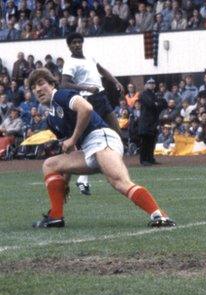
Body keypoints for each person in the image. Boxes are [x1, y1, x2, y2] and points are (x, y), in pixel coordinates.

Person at [28, 68, 175, 228]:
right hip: (88, 149)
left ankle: (159, 216)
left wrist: (74, 139)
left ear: (52, 84)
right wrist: (64, 182)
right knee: (50, 165)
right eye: (33, 87)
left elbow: (86, 108)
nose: (37, 89)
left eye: (41, 83)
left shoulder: (62, 95)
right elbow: (69, 149)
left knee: (119, 182)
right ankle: (56, 216)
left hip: (102, 139)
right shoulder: (51, 119)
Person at [61, 32, 125, 196]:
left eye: (78, 42)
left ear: (82, 43)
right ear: (69, 46)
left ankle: (109, 165)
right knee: (92, 139)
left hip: (101, 97)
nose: (76, 45)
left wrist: (116, 82)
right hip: (88, 100)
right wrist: (86, 88)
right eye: (73, 43)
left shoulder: (90, 57)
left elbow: (102, 70)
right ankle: (83, 177)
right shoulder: (70, 63)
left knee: (116, 132)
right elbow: (64, 84)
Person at [138, 78, 166, 165]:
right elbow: (150, 104)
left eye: (153, 83)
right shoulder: (143, 94)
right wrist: (156, 103)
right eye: (150, 83)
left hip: (153, 122)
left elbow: (164, 104)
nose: (152, 84)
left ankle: (150, 158)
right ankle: (143, 160)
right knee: (145, 141)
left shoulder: (155, 94)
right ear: (146, 85)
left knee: (152, 141)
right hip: (146, 122)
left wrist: (156, 103)